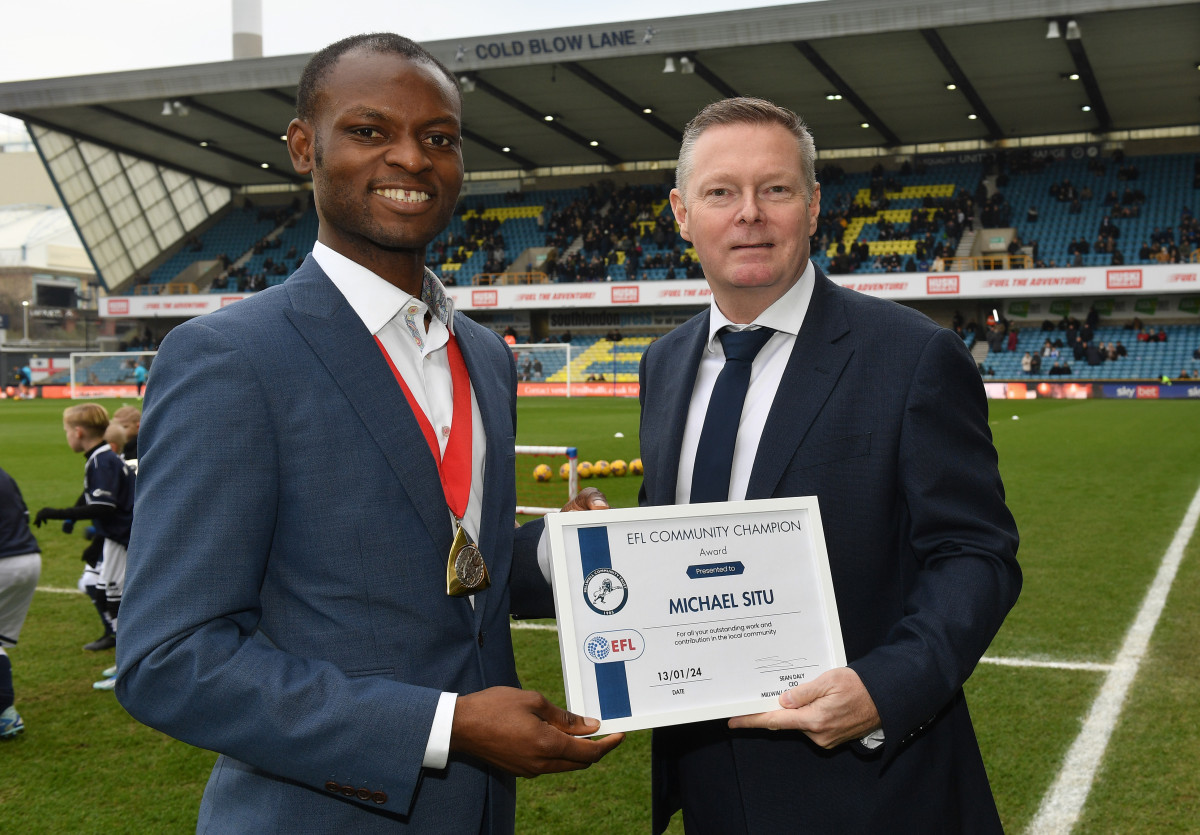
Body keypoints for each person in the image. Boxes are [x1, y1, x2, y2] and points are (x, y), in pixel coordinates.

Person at [114, 33, 620, 833]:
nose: (412, 158)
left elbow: (445, 570)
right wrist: (444, 725)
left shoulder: (486, 356)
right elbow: (170, 659)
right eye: (369, 130)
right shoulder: (230, 357)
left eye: (439, 138)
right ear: (303, 147)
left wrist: (559, 551)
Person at [638, 97, 1020, 833]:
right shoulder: (665, 362)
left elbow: (976, 553)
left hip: (873, 791)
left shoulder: (913, 356)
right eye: (721, 192)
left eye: (775, 188)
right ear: (682, 214)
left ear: (813, 206)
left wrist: (884, 687)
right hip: (711, 783)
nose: (749, 213)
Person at [34, 404, 135, 672]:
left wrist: (57, 513)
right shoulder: (100, 458)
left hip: (123, 539)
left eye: (66, 430)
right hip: (116, 537)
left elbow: (104, 507)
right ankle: (124, 662)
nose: (67, 436)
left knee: (116, 600)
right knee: (105, 593)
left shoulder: (102, 461)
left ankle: (128, 666)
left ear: (78, 432)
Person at [0, 467, 41, 738]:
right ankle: (6, 714)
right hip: (28, 558)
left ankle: (5, 713)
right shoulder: (4, 474)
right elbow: (23, 514)